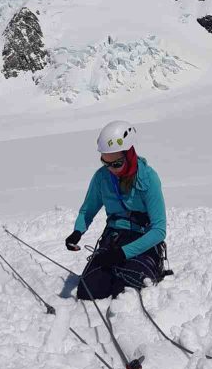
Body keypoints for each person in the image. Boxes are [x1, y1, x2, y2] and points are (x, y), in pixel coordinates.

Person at [65, 121, 166, 300]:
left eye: (117, 163)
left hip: (142, 239)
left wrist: (123, 253)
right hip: (114, 237)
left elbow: (159, 230)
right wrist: (77, 231)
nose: (111, 169)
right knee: (88, 291)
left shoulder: (149, 178)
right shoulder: (101, 177)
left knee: (127, 287)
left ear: (129, 154)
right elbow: (87, 210)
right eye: (106, 163)